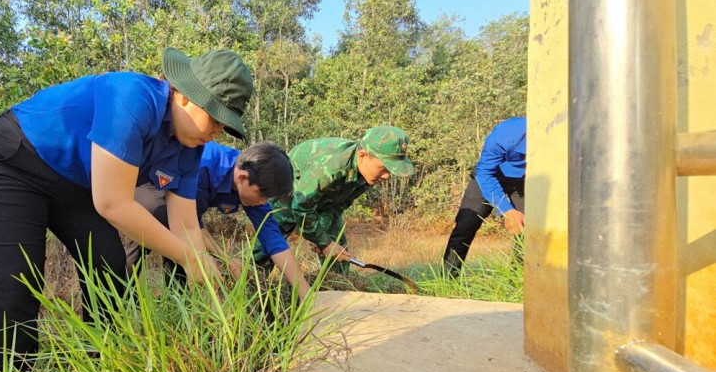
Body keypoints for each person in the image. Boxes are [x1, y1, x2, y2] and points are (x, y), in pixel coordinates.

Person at [0, 47, 253, 372]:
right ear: (186, 95)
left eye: (225, 125)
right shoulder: (132, 97)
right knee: (17, 282)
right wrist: (190, 258)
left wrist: (204, 271)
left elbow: (187, 227)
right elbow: (112, 202)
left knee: (110, 271)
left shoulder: (189, 147)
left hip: (73, 186)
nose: (218, 133)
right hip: (11, 162)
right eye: (216, 120)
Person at [125, 141, 311, 300]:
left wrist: (305, 292)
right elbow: (188, 224)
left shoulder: (254, 178)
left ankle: (181, 304)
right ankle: (121, 297)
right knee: (162, 222)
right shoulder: (203, 166)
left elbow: (275, 241)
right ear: (242, 178)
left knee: (188, 253)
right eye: (262, 195)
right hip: (148, 185)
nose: (263, 202)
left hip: (180, 209)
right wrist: (227, 260)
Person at [265, 126, 414, 273]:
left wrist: (322, 240)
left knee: (336, 249)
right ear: (363, 156)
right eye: (384, 168)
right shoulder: (329, 167)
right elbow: (301, 206)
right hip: (290, 184)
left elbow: (338, 205)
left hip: (319, 195)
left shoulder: (367, 174)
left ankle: (336, 285)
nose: (387, 176)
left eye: (390, 170)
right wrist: (323, 241)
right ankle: (254, 282)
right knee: (272, 237)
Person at [442, 116, 526, 277]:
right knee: (465, 226)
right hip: (490, 176)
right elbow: (485, 173)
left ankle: (518, 282)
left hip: (526, 182)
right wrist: (506, 210)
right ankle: (448, 278)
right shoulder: (506, 133)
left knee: (528, 229)